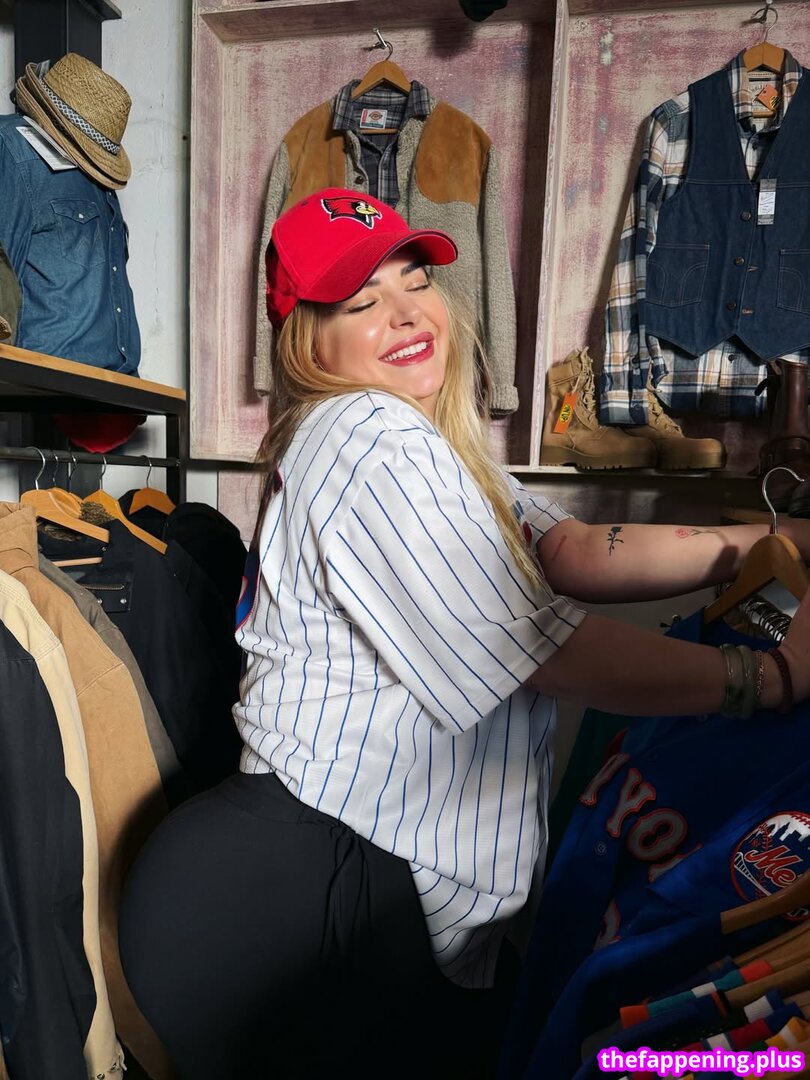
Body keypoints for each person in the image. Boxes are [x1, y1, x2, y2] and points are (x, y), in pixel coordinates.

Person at [118, 188, 810, 1080]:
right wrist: (768, 679)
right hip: (302, 897)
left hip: (333, 879)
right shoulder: (366, 433)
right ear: (306, 342)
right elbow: (547, 649)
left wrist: (761, 542)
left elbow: (568, 548)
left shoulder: (429, 444)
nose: (410, 313)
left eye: (417, 282)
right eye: (363, 302)